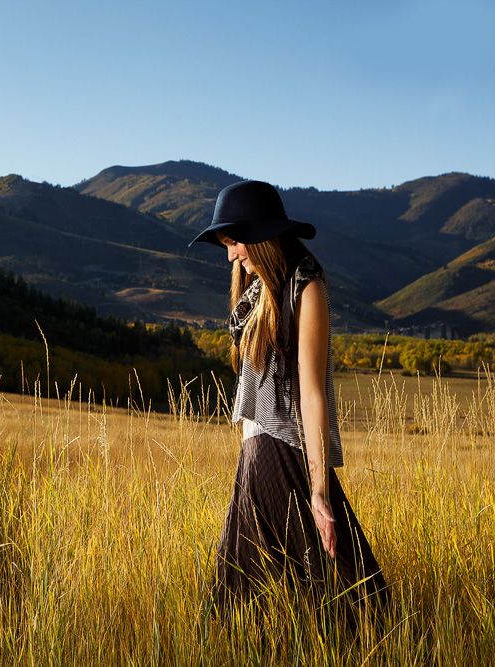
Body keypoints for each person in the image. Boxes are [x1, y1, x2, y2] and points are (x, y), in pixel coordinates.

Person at [190, 180, 388, 619]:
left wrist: (320, 488)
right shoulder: (255, 295)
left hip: (285, 450)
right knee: (276, 586)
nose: (231, 254)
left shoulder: (305, 289)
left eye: (235, 241)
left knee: (352, 591)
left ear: (264, 235)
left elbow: (312, 393)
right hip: (258, 452)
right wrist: (248, 459)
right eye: (226, 243)